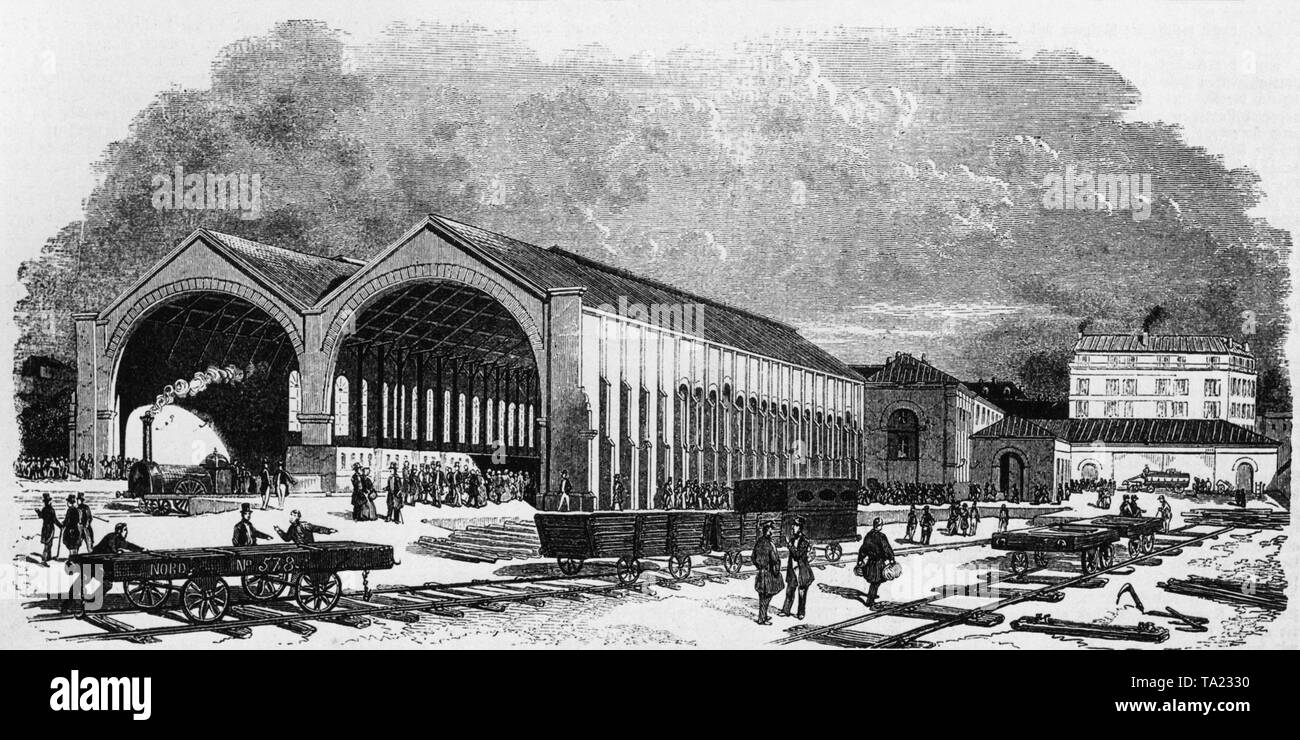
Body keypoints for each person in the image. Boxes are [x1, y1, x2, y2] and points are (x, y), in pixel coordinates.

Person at [778, 516, 814, 620]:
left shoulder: (804, 541)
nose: (793, 527)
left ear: (800, 528)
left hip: (802, 571)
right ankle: (786, 610)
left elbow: (797, 555)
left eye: (796, 526)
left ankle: (801, 613)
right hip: (793, 570)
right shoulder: (793, 539)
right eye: (793, 525)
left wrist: (790, 545)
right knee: (790, 590)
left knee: (802, 593)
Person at [856, 518, 896, 606]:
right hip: (878, 563)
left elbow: (863, 549)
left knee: (874, 581)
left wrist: (860, 560)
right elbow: (887, 548)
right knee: (876, 582)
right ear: (880, 526)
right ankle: (870, 600)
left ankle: (871, 596)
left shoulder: (868, 535)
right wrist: (892, 559)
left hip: (870, 562)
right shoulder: (881, 536)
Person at [750, 521, 784, 625]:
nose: (772, 532)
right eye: (771, 530)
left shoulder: (759, 542)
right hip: (768, 573)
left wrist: (759, 566)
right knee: (767, 595)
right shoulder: (769, 544)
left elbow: (753, 557)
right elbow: (774, 559)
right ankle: (762, 619)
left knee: (762, 596)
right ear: (768, 531)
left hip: (761, 573)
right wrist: (777, 565)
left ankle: (763, 616)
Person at [35, 493, 62, 563]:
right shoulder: (51, 510)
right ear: (49, 502)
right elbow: (55, 520)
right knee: (48, 545)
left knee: (47, 544)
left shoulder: (44, 509)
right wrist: (60, 526)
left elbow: (41, 516)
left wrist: (38, 512)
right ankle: (44, 559)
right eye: (50, 501)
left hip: (44, 529)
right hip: (50, 529)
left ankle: (48, 558)